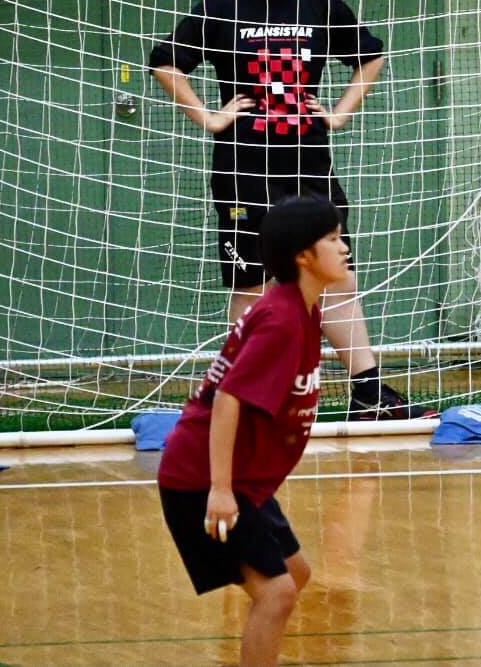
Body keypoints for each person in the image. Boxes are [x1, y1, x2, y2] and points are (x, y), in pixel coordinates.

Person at [149, 0, 433, 420]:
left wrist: (340, 113)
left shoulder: (319, 5)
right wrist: (208, 117)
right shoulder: (222, 7)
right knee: (253, 285)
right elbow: (165, 61)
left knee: (337, 274)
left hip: (309, 165)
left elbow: (370, 56)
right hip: (244, 168)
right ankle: (238, 397)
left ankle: (368, 392)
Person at [157, 195, 348, 666]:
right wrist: (221, 490)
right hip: (202, 479)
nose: (345, 248)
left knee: (294, 575)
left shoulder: (302, 309)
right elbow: (228, 399)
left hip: (243, 482)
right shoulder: (281, 319)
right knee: (277, 593)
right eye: (333, 239)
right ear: (303, 256)